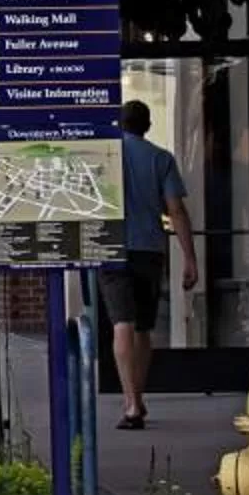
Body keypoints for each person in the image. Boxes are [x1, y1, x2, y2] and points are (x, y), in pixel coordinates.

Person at [101, 98, 198, 430]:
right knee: (144, 328)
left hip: (112, 250)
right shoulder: (161, 159)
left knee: (121, 324)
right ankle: (138, 399)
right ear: (148, 126)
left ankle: (130, 404)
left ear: (120, 124)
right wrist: (189, 257)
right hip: (150, 251)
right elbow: (176, 210)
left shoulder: (107, 157)